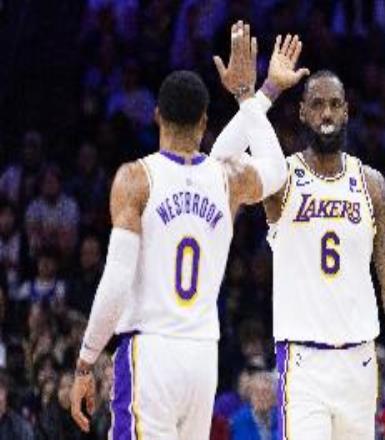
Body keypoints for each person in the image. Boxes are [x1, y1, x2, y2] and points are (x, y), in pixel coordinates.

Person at [70, 21, 306, 439]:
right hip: (201, 357)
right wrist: (255, 94)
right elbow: (274, 170)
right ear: (203, 120)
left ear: (156, 115)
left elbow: (117, 281)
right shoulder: (226, 179)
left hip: (151, 350)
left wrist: (86, 362)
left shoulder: (135, 179)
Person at [213, 67, 385, 437]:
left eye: (334, 104)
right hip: (303, 363)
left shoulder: (372, 185)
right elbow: (220, 161)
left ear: (346, 111)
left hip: (359, 362)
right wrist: (256, 94)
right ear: (302, 112)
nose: (326, 113)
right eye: (316, 105)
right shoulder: (282, 179)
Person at [230, 370, 279, 440]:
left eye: (266, 392)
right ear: (250, 397)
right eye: (256, 393)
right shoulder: (240, 420)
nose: (261, 397)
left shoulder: (281, 417)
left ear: (273, 397)